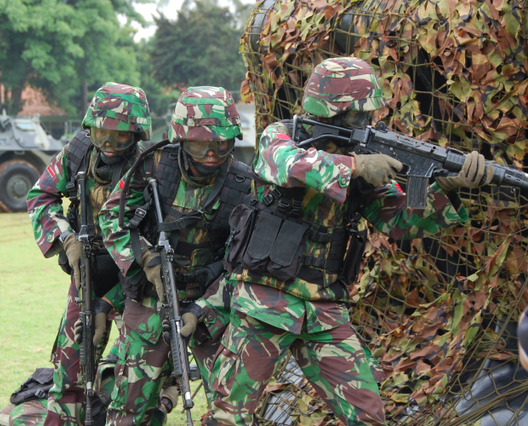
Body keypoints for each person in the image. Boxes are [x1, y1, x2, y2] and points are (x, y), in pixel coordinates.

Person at [201, 57, 494, 426]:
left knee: (369, 415)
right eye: (359, 116)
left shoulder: (363, 154)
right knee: (230, 417)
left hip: (325, 309)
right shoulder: (284, 134)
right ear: (332, 111)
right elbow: (284, 164)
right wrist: (355, 167)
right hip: (266, 303)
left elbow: (400, 222)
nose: (367, 122)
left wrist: (447, 186)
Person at [99, 86, 253, 426]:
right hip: (151, 298)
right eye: (200, 144)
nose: (211, 154)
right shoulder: (153, 165)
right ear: (181, 139)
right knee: (128, 407)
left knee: (231, 408)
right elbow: (112, 217)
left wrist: (203, 309)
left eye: (221, 144)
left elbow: (243, 263)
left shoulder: (244, 184)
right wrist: (144, 258)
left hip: (212, 307)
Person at [26, 82, 151, 426]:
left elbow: (155, 248)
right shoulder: (79, 152)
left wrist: (108, 304)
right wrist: (65, 238)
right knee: (72, 365)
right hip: (87, 271)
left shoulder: (153, 167)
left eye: (120, 137)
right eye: (100, 134)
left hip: (139, 281)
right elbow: (40, 196)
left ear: (137, 134)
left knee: (133, 373)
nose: (108, 145)